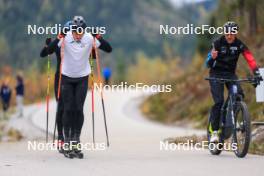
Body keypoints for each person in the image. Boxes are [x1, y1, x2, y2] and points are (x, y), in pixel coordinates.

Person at [46, 15, 112, 158]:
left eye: (80, 32)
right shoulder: (66, 36)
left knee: (78, 108)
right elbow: (49, 51)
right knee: (68, 108)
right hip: (66, 78)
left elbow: (109, 49)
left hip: (82, 78)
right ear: (72, 29)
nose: (77, 35)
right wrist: (59, 36)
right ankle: (67, 140)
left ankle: (76, 139)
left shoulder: (88, 37)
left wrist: (98, 37)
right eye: (75, 31)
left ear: (84, 30)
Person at [205, 21, 263, 143]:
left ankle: (233, 117)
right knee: (219, 101)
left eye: (232, 33)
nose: (229, 36)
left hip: (230, 75)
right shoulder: (217, 43)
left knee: (238, 95)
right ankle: (214, 131)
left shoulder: (239, 45)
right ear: (224, 33)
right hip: (216, 74)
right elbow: (207, 63)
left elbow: (250, 58)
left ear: (236, 33)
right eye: (227, 33)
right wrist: (212, 57)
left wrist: (256, 73)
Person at [40, 21, 72, 150]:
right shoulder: (59, 43)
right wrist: (47, 44)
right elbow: (44, 54)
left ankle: (70, 136)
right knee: (61, 107)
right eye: (67, 32)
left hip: (72, 78)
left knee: (71, 108)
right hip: (59, 78)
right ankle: (61, 137)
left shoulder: (77, 44)